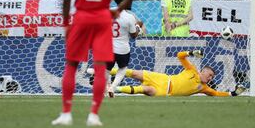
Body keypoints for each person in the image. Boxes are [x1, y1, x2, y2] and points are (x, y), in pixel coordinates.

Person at [51, 0, 139, 127]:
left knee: (71, 65)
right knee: (100, 68)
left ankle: (66, 114)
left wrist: (66, 23)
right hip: (102, 18)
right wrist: (119, 10)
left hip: (81, 17)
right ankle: (93, 115)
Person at [105, 50, 246, 97]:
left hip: (164, 90)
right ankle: (102, 71)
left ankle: (115, 89)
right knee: (134, 73)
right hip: (163, 78)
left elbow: (216, 94)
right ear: (202, 71)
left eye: (212, 77)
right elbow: (180, 56)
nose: (210, 78)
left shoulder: (203, 88)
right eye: (209, 75)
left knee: (145, 89)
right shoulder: (192, 70)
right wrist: (190, 53)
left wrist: (232, 94)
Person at [106, 0, 143, 98]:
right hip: (122, 48)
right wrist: (138, 27)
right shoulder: (129, 17)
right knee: (122, 69)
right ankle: (112, 87)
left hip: (108, 46)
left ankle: (107, 87)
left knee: (106, 69)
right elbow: (133, 35)